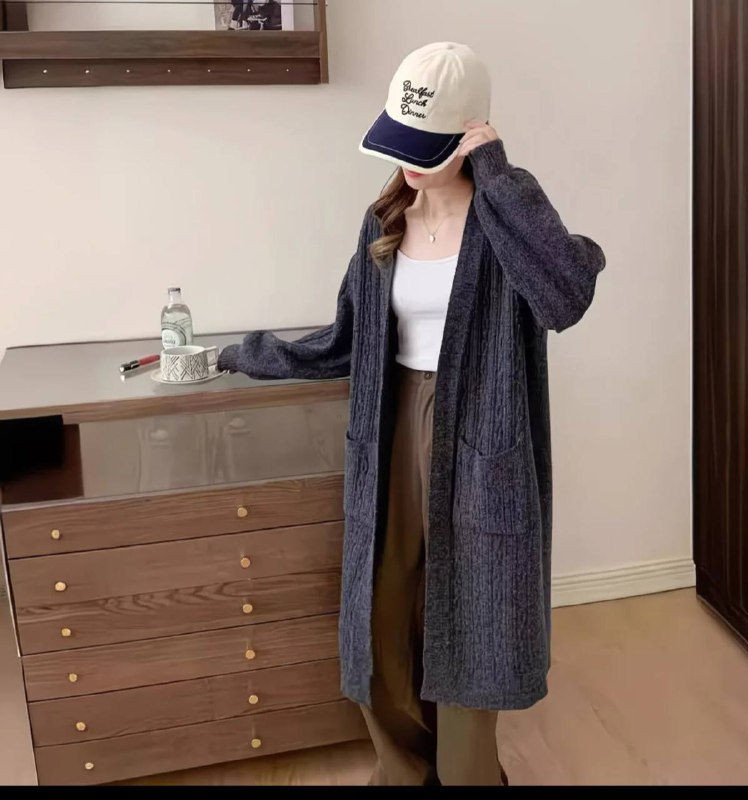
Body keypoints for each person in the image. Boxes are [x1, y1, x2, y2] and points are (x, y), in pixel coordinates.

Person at [218, 41, 605, 786]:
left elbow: (565, 295)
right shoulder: (382, 220)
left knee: (473, 613)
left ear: (471, 134)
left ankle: (469, 776)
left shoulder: (504, 222)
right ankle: (401, 771)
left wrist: (498, 173)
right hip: (391, 423)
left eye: (426, 146)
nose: (407, 162)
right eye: (399, 140)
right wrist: (250, 353)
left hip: (481, 431)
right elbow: (347, 338)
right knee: (381, 607)